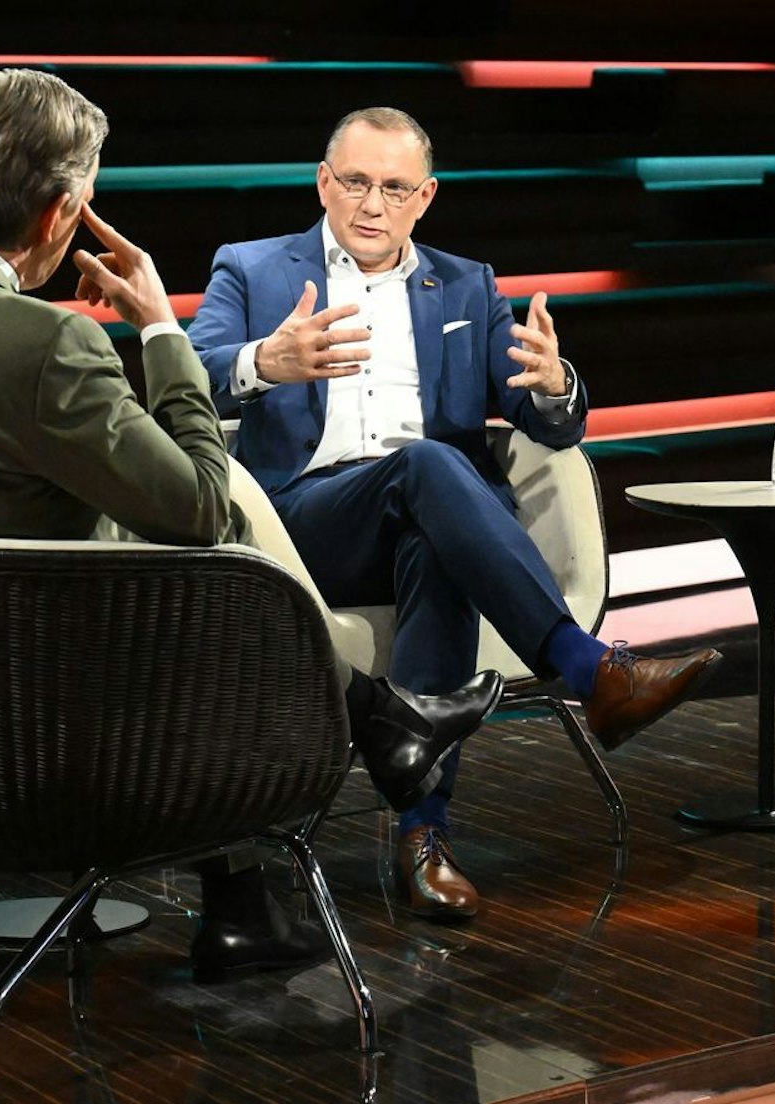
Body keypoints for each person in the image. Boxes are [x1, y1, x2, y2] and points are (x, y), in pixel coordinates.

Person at [0, 69, 503, 979]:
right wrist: (161, 328)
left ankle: (253, 892)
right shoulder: (47, 344)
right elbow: (202, 500)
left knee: (146, 572)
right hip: (51, 736)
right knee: (206, 583)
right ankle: (378, 730)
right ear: (60, 216)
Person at [188, 107, 722, 920]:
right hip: (307, 523)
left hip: (426, 517)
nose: (373, 204)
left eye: (394, 189)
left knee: (434, 537)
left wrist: (554, 384)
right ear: (324, 183)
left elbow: (544, 421)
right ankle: (589, 671)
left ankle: (423, 838)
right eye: (357, 183)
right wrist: (268, 359)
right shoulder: (255, 268)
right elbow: (189, 369)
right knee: (431, 464)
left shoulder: (467, 283)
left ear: (425, 198)